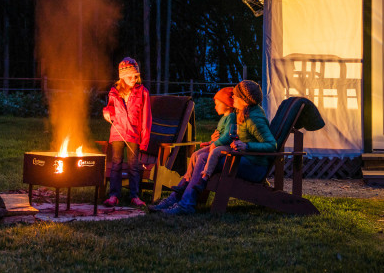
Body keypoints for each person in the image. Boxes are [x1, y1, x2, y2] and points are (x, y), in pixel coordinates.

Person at [162, 80, 275, 215]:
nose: (232, 97)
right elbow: (243, 135)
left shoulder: (254, 119)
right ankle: (178, 199)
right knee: (201, 155)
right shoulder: (244, 112)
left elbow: (271, 145)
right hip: (244, 159)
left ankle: (185, 204)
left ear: (244, 100)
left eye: (236, 95)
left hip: (254, 167)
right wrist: (219, 138)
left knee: (204, 158)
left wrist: (246, 146)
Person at [150, 86, 236, 211]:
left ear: (227, 105)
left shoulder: (232, 117)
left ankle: (185, 202)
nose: (215, 107)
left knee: (201, 157)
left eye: (217, 104)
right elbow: (220, 133)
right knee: (196, 155)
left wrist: (215, 143)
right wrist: (211, 140)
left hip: (223, 150)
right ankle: (183, 186)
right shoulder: (224, 118)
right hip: (217, 146)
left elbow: (228, 136)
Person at [102, 57, 152, 207]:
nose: (134, 79)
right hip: (117, 133)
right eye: (131, 76)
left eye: (136, 76)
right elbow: (110, 108)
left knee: (133, 165)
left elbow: (147, 117)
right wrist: (107, 112)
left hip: (134, 134)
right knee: (116, 163)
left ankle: (134, 195)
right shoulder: (114, 92)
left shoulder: (142, 92)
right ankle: (114, 195)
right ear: (122, 77)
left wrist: (144, 139)